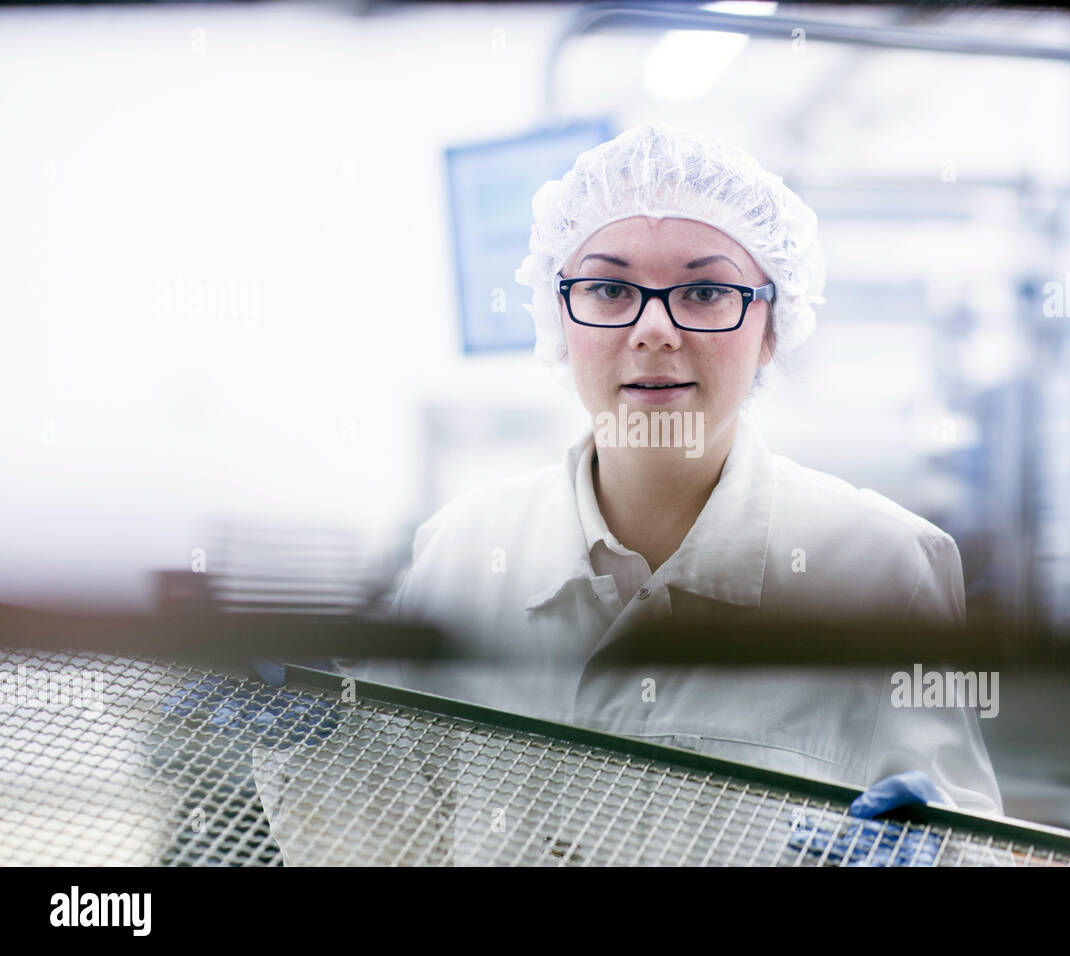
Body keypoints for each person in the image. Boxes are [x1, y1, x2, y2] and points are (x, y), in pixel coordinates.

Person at [341, 121, 1002, 816]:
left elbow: (961, 829)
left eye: (706, 293)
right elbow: (377, 833)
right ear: (558, 319)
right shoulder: (463, 551)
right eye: (608, 289)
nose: (654, 329)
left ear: (772, 326)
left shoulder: (884, 569)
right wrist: (304, 749)